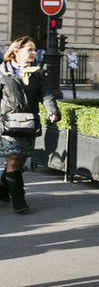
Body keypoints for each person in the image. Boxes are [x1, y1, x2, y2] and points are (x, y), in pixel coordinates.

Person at [0, 36, 59, 213]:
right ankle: (19, 201)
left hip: (29, 123)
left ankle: (3, 188)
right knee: (13, 158)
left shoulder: (37, 73)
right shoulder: (2, 72)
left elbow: (46, 94)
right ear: (16, 51)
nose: (34, 53)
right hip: (8, 123)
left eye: (34, 50)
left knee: (21, 159)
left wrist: (52, 111)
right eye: (30, 50)